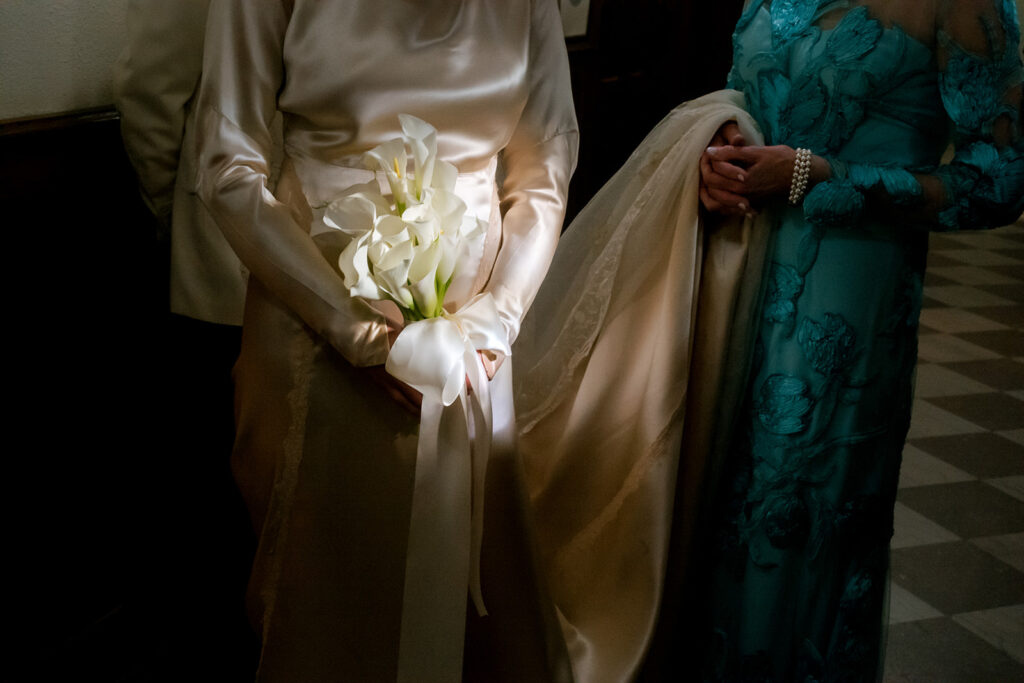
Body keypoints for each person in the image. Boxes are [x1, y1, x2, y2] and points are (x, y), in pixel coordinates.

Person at [514, 0, 1024, 681]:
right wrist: (717, 155)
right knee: (699, 490)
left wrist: (823, 177)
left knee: (793, 520)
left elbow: (999, 181)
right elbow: (744, 94)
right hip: (730, 270)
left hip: (843, 302)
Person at [193, 0, 578, 680]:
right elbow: (228, 163)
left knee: (469, 581)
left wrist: (496, 320)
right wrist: (358, 331)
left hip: (474, 344)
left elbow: (545, 163)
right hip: (313, 330)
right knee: (324, 593)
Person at [112, 2, 279, 677]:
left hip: (237, 262)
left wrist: (176, 215)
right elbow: (152, 89)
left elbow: (149, 85)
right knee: (226, 513)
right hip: (243, 269)